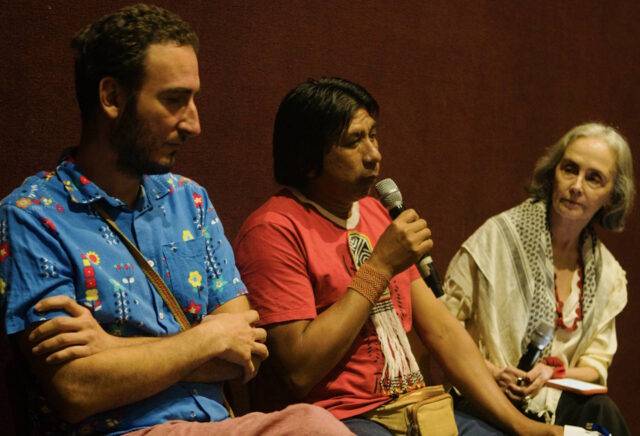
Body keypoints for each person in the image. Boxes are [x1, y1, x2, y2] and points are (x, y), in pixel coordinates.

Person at [0, 5, 352, 435]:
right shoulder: (33, 215)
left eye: (194, 99)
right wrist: (206, 338)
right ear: (111, 97)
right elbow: (74, 389)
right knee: (310, 427)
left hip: (217, 426)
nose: (194, 123)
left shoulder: (189, 199)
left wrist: (112, 351)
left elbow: (247, 350)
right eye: (174, 100)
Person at [233, 77, 562, 435]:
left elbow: (442, 331)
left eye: (373, 136)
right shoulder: (274, 229)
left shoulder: (375, 213)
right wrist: (380, 266)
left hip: (413, 408)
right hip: (338, 419)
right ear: (308, 158)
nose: (374, 154)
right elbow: (300, 371)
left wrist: (522, 426)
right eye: (354, 141)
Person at [441, 123, 633, 435]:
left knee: (602, 413)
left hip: (553, 404)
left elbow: (595, 365)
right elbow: (443, 329)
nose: (576, 186)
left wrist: (550, 372)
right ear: (552, 172)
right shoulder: (497, 238)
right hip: (485, 400)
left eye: (593, 178)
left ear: (611, 197)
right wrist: (493, 372)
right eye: (570, 169)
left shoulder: (608, 273)